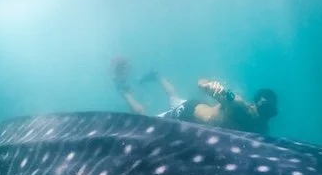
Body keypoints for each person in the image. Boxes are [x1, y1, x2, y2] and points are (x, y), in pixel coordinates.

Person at [110, 56, 278, 135]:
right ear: (254, 105)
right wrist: (210, 86)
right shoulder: (237, 104)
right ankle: (122, 90)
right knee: (143, 119)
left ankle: (156, 76)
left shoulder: (262, 128)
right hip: (186, 113)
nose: (263, 116)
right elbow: (201, 83)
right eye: (263, 110)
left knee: (174, 96)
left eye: (269, 113)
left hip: (195, 109)